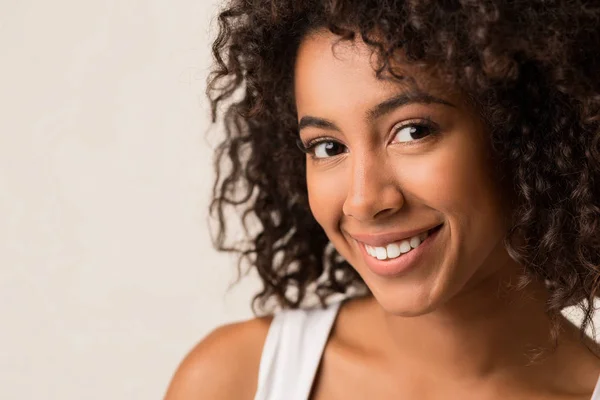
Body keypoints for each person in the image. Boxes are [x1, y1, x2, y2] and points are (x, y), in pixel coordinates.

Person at [164, 0, 600, 398]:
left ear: (529, 134)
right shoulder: (234, 380)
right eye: (328, 147)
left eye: (412, 131)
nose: (362, 201)